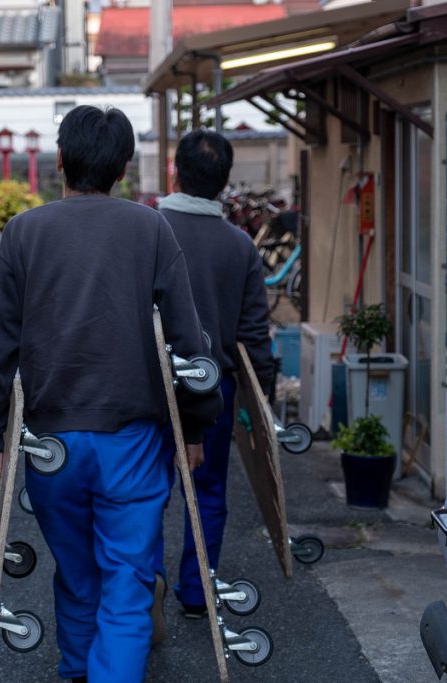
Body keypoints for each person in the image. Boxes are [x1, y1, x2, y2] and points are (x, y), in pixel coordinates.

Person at [0, 105, 222, 682]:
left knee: (78, 575)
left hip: (49, 442)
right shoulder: (150, 228)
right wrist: (198, 423)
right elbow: (188, 340)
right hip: (131, 440)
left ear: (59, 159)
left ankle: (79, 670)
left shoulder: (24, 232)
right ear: (124, 167)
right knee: (127, 584)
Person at [155, 129, 275, 618]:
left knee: (145, 489)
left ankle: (146, 586)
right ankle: (197, 589)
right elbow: (254, 336)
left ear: (175, 170)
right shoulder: (240, 246)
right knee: (207, 490)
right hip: (216, 386)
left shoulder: (149, 228)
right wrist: (259, 402)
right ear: (225, 183)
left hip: (151, 381)